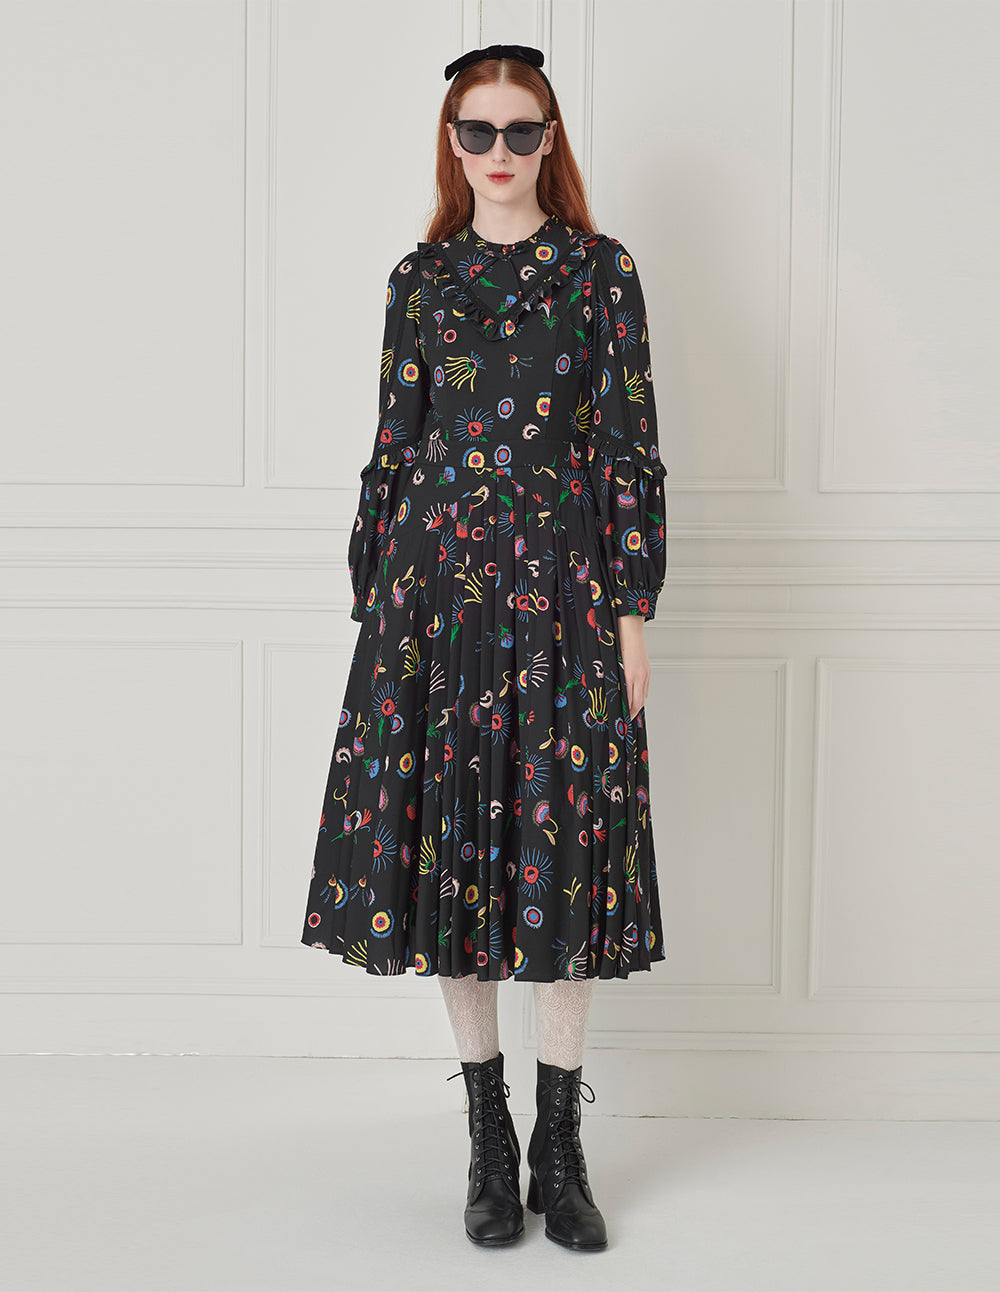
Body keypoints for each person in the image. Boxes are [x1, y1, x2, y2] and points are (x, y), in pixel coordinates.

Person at [300, 42, 668, 1252]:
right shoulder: (419, 279)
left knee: (562, 854)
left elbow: (625, 444)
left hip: (564, 593)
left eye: (519, 130)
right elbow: (395, 442)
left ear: (549, 140)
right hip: (434, 602)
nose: (498, 152)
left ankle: (560, 1147)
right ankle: (486, 1138)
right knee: (449, 853)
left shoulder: (600, 273)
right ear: (451, 144)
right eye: (477, 131)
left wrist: (632, 611)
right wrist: (377, 603)